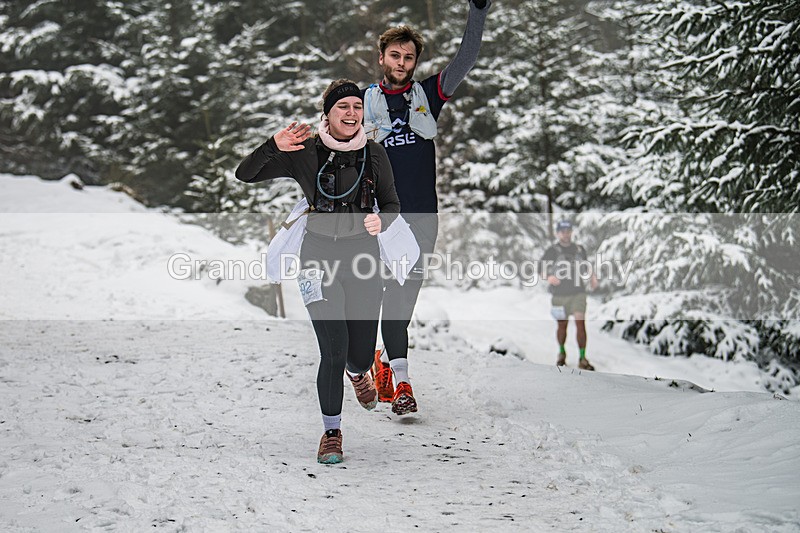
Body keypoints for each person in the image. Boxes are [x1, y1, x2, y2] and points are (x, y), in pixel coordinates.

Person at [235, 80, 401, 464]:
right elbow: (245, 174)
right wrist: (272, 147)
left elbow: (391, 202)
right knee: (333, 347)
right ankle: (331, 432)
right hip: (316, 260)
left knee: (358, 354)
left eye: (357, 107)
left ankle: (359, 372)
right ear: (327, 112)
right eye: (342, 106)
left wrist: (382, 220)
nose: (350, 113)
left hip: (363, 261)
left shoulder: (375, 154)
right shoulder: (306, 152)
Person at [363, 0, 492, 415]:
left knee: (403, 295)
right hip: (379, 218)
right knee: (380, 294)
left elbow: (466, 58)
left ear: (416, 61)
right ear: (382, 57)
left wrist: (479, 11)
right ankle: (399, 379)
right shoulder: (360, 102)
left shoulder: (428, 95)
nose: (402, 62)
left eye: (409, 56)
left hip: (421, 219)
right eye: (395, 55)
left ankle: (391, 367)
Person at [540, 220, 598, 370]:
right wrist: (549, 277)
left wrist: (592, 277)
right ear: (558, 233)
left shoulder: (579, 249)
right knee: (562, 326)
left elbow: (586, 266)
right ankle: (561, 353)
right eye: (563, 231)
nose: (566, 234)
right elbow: (540, 268)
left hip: (578, 292)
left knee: (580, 323)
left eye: (568, 231)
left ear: (571, 232)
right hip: (559, 295)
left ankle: (583, 358)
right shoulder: (552, 251)